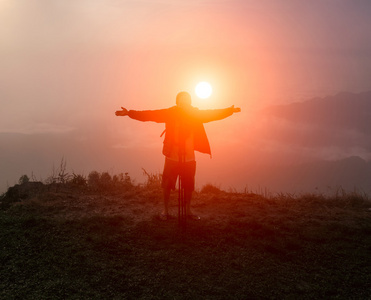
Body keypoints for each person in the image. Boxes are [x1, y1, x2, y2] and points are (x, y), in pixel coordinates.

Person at [115, 91, 240, 220]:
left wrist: (229, 111)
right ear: (177, 102)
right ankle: (166, 210)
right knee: (167, 185)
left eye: (187, 99)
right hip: (172, 156)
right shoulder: (170, 113)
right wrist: (129, 113)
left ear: (190, 102)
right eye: (182, 99)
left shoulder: (195, 114)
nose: (185, 101)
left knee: (189, 186)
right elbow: (150, 115)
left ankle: (187, 211)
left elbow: (212, 114)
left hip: (189, 157)